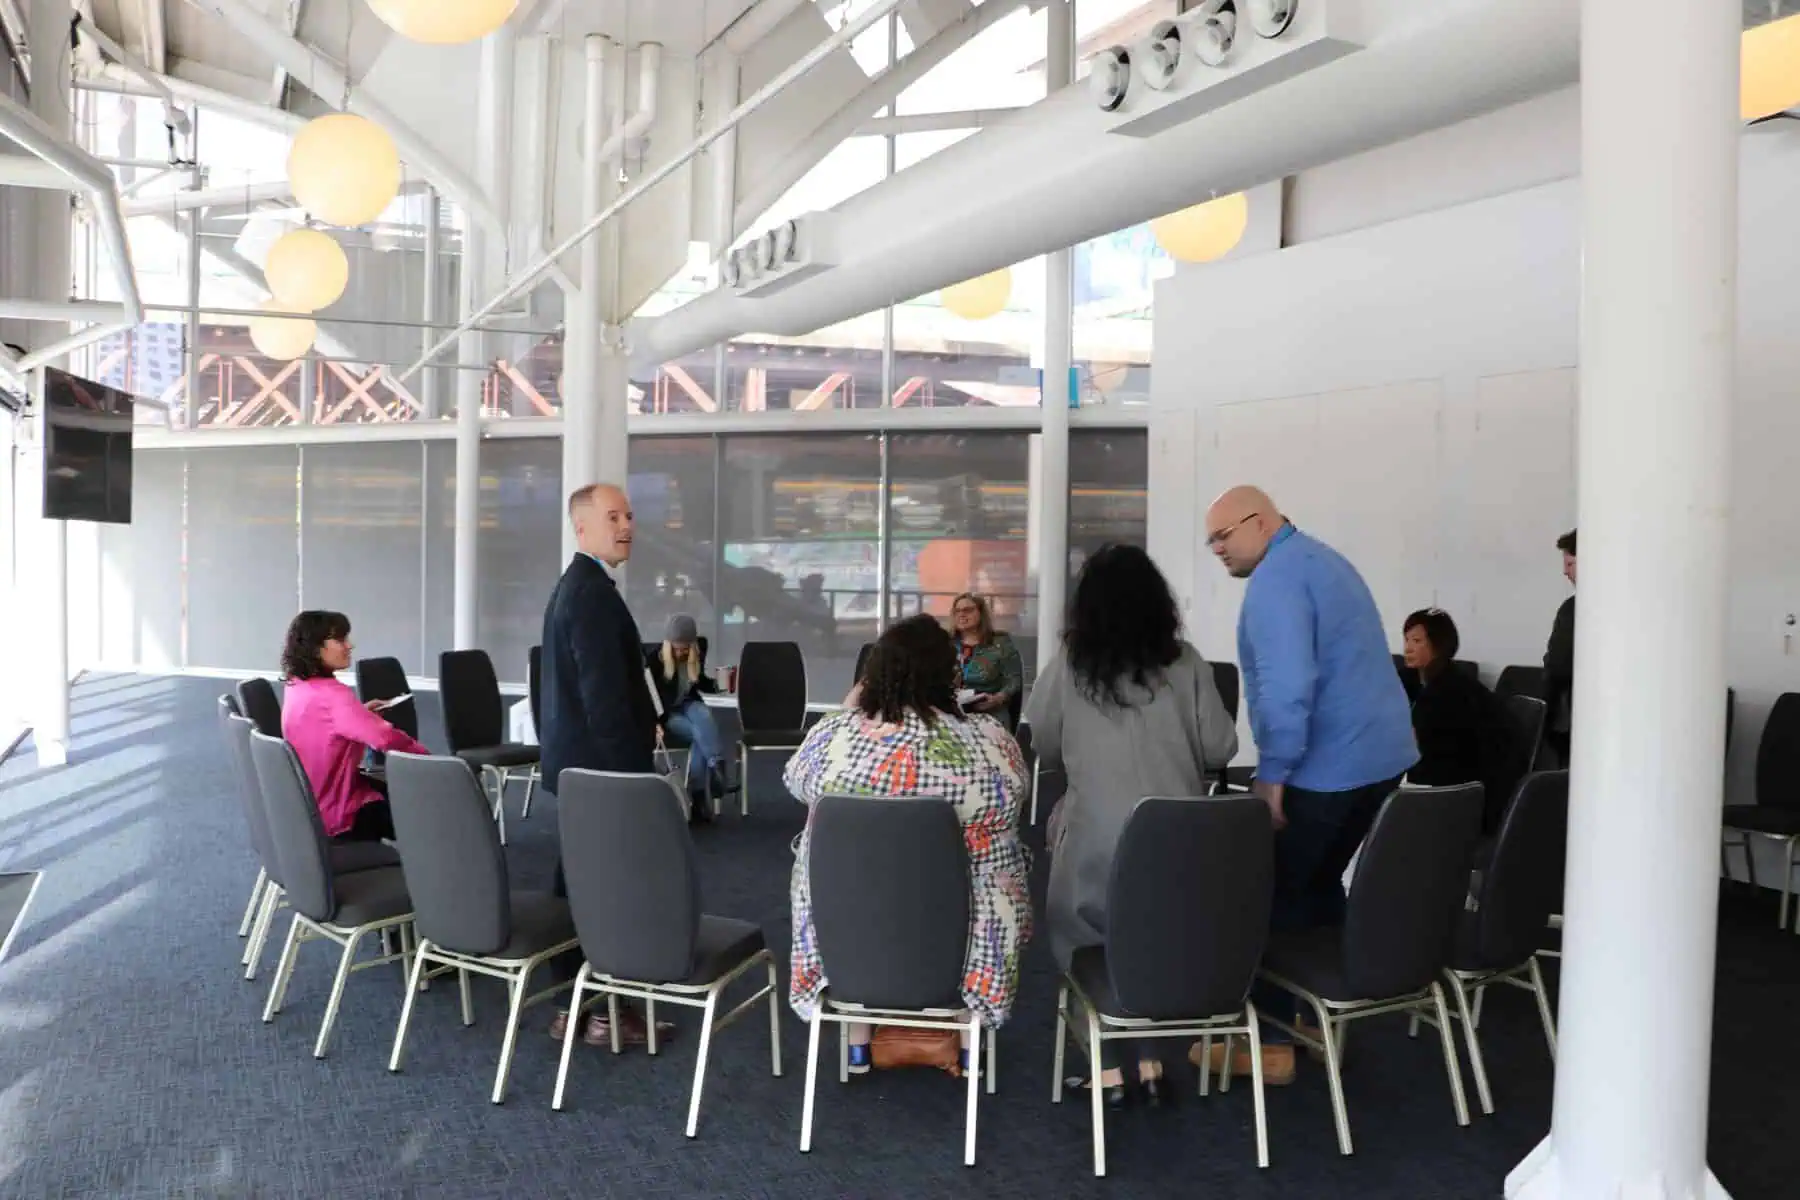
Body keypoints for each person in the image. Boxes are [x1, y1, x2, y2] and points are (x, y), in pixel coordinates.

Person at [1201, 486, 1418, 1086]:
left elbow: (1287, 685)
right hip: (1380, 762)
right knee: (1317, 884)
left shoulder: (1276, 581)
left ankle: (1271, 1043)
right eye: (1210, 541)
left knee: (1266, 890)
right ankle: (1322, 1023)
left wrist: (1272, 773)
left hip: (1325, 770)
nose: (1216, 549)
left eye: (1223, 536)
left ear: (1261, 522)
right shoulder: (1325, 561)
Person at [1027, 545, 1238, 1108]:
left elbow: (1042, 739)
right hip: (1181, 844)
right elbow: (1221, 747)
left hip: (1095, 839)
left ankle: (1109, 1069)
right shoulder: (1186, 662)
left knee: (1080, 942)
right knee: (1153, 941)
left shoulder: (1072, 664)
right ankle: (1150, 1063)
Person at [783, 614, 1033, 1074]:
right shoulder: (989, 740)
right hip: (955, 928)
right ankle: (968, 1037)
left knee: (841, 859)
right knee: (992, 864)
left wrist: (853, 703)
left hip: (852, 922)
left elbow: (795, 780)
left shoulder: (834, 737)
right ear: (949, 675)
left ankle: (858, 1041)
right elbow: (1014, 796)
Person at [539, 482, 665, 1049]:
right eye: (613, 516)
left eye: (630, 516)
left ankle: (581, 1008)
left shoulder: (581, 587)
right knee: (601, 892)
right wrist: (628, 783)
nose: (627, 526)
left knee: (582, 886)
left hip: (583, 768)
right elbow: (603, 700)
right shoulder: (589, 593)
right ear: (582, 527)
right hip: (600, 773)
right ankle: (595, 1011)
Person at [278, 611, 428, 842]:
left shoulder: (297, 685)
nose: (349, 646)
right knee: (429, 814)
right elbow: (385, 738)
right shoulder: (333, 696)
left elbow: (324, 727)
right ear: (315, 648)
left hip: (310, 804)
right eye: (340, 640)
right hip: (339, 813)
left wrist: (360, 715)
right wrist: (429, 759)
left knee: (393, 793)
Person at [1402, 608, 1525, 832]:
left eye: (1417, 641)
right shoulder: (1425, 681)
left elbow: (1430, 753)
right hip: (1461, 787)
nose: (1408, 647)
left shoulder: (1449, 692)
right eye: (1407, 639)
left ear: (1439, 645)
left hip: (1467, 798)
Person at [646, 613, 729, 807]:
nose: (680, 653)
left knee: (704, 715)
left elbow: (699, 682)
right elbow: (648, 696)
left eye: (685, 649)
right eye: (676, 649)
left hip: (688, 702)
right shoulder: (654, 660)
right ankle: (708, 784)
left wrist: (719, 686)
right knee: (700, 733)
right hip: (668, 712)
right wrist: (654, 723)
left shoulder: (698, 650)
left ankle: (715, 770)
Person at [950, 592, 1024, 727]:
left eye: (967, 610)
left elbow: (1014, 681)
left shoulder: (1000, 643)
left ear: (981, 613)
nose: (961, 614)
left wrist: (997, 699)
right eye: (957, 611)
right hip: (954, 714)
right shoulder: (947, 644)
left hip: (991, 713)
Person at [1543, 528, 1578, 767]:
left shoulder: (1573, 609)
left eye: (1571, 563)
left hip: (1573, 719)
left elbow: (1558, 663)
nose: (1565, 571)